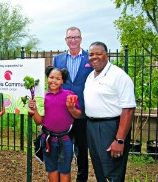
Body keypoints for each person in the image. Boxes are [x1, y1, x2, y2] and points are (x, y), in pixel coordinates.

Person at [84, 41, 136, 182]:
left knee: (112, 172)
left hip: (110, 127)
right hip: (92, 127)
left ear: (106, 55)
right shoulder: (91, 76)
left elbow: (129, 109)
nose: (94, 57)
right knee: (99, 169)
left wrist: (119, 139)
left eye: (98, 54)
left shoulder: (119, 76)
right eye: (91, 54)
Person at [28, 66, 82, 182]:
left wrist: (71, 108)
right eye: (51, 77)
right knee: (51, 169)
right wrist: (34, 110)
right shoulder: (42, 97)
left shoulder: (69, 95)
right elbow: (38, 121)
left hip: (66, 139)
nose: (54, 80)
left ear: (62, 81)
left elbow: (78, 115)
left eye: (58, 78)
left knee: (64, 170)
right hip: (48, 139)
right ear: (47, 78)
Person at [53, 26, 92, 182]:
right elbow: (55, 82)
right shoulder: (58, 59)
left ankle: (81, 179)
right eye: (70, 38)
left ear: (81, 39)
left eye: (76, 37)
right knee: (63, 150)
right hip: (64, 112)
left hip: (83, 111)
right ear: (66, 40)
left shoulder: (90, 58)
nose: (73, 40)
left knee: (82, 150)